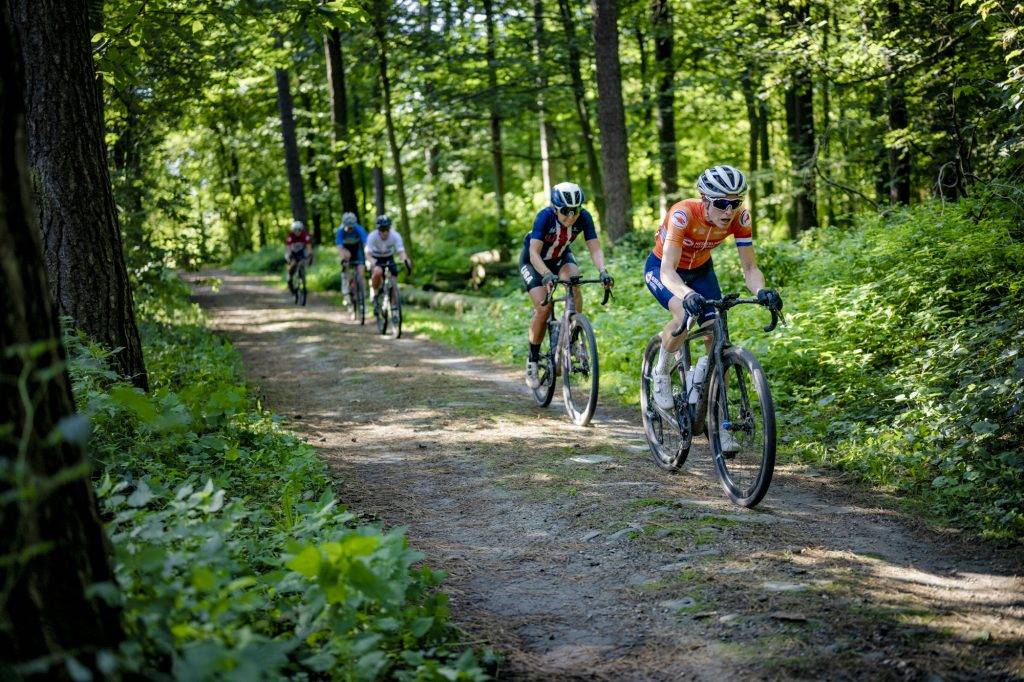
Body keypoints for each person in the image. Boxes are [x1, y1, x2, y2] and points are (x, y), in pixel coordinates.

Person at [643, 165, 782, 452]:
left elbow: (750, 267)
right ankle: (661, 371)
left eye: (735, 202)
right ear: (704, 199)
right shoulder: (682, 214)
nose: (728, 210)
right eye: (721, 203)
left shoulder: (740, 218)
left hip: (702, 270)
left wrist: (761, 291)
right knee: (684, 314)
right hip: (663, 269)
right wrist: (686, 294)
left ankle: (717, 420)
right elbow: (668, 271)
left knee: (715, 335)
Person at [521, 181, 613, 390]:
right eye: (565, 211)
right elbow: (534, 253)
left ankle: (572, 336)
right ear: (555, 207)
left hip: (561, 257)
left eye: (575, 210)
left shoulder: (584, 217)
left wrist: (603, 271)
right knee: (544, 308)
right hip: (534, 263)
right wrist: (546, 275)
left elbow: (595, 249)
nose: (571, 216)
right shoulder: (545, 217)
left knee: (574, 282)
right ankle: (533, 361)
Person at [365, 214, 412, 305]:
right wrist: (372, 262)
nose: (385, 232)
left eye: (387, 229)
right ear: (378, 230)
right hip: (375, 258)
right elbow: (367, 253)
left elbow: (401, 251)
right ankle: (374, 292)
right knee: (377, 272)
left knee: (394, 280)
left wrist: (405, 260)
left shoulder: (395, 236)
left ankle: (394, 308)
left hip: (388, 257)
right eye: (382, 230)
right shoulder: (372, 236)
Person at [335, 212, 368, 302]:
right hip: (346, 251)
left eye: (352, 227)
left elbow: (366, 244)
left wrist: (367, 256)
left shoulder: (359, 229)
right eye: (348, 227)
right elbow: (339, 247)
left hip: (358, 251)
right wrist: (343, 257)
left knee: (361, 272)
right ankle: (346, 290)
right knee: (345, 264)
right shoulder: (340, 231)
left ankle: (362, 295)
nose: (350, 229)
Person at [284, 219, 312, 291]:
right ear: (293, 230)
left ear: (301, 230)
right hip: (291, 252)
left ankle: (302, 279)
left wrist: (310, 253)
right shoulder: (290, 236)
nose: (297, 232)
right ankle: (289, 278)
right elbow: (288, 247)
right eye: (295, 230)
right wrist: (289, 255)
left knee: (302, 263)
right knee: (293, 264)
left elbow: (308, 246)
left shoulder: (304, 235)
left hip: (300, 252)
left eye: (299, 230)